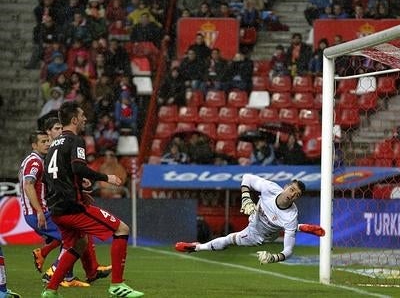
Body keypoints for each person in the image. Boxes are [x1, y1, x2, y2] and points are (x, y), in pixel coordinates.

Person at [41, 101, 143, 298]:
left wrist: (79, 185)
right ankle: (117, 285)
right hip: (73, 207)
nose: (85, 119)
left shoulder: (53, 145)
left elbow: (56, 175)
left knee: (78, 245)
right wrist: (107, 178)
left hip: (57, 208)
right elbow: (78, 167)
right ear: (74, 119)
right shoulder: (75, 141)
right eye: (82, 116)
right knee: (122, 229)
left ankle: (51, 290)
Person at [20, 130, 110, 288]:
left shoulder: (42, 160)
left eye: (48, 141)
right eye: (43, 141)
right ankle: (56, 273)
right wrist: (39, 211)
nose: (48, 144)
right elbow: (28, 185)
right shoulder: (35, 161)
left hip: (45, 210)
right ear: (34, 145)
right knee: (75, 238)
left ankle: (67, 272)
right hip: (40, 212)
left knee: (75, 236)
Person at [175, 175, 306, 264]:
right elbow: (246, 178)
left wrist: (273, 258)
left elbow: (288, 251)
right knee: (253, 210)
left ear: (297, 198)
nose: (292, 194)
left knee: (229, 239)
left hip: (258, 236)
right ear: (285, 187)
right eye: (291, 189)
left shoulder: (290, 217)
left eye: (297, 194)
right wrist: (246, 198)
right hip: (256, 216)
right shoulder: (270, 188)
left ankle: (197, 248)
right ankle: (299, 228)